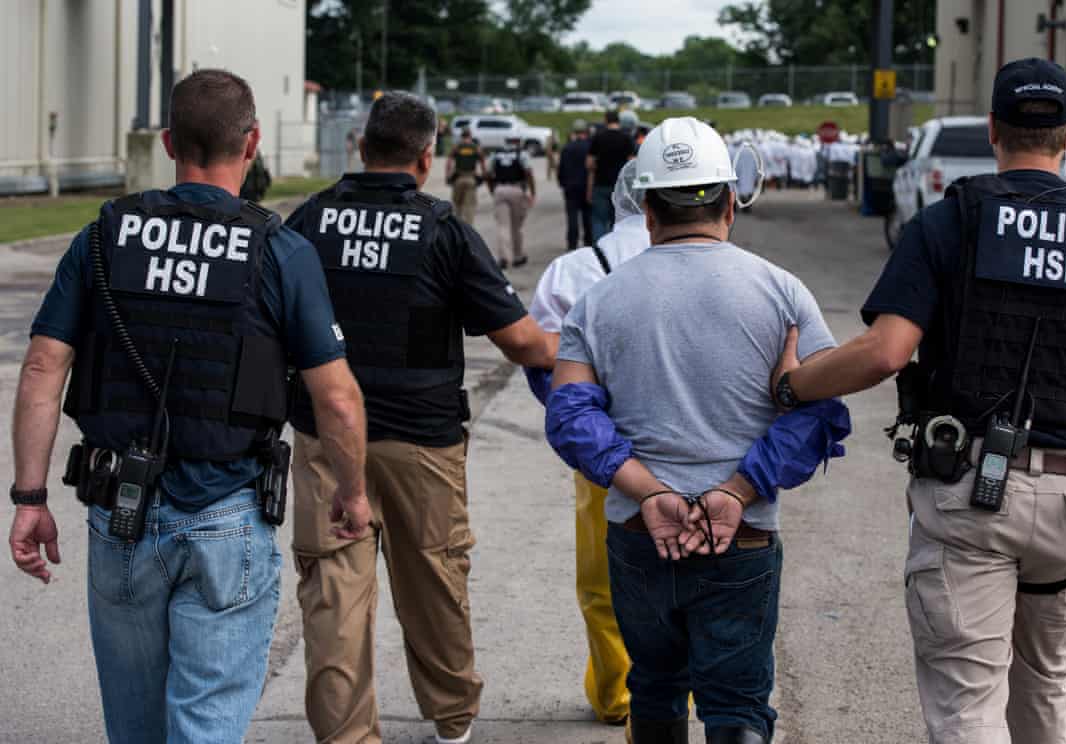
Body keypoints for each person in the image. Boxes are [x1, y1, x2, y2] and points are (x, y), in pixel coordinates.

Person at [775, 59, 1066, 744]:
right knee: (1044, 685)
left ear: (992, 130)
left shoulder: (950, 222)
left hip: (972, 497)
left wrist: (793, 385)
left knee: (969, 706)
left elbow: (886, 351)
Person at [7, 68, 372, 744]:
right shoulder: (281, 251)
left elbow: (41, 368)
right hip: (225, 515)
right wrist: (352, 491)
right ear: (253, 142)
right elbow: (338, 399)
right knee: (204, 728)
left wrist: (30, 497)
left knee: (136, 730)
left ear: (171, 141)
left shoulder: (102, 237)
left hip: (119, 513)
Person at [546, 117, 842, 744]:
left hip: (636, 533)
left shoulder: (598, 302)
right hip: (744, 536)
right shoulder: (784, 293)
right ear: (730, 202)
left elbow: (570, 415)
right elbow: (819, 413)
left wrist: (648, 491)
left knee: (653, 687)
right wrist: (737, 489)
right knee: (737, 705)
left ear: (646, 209)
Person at [285, 93, 558, 744]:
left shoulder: (307, 223)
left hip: (327, 438)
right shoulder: (442, 230)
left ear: (360, 148)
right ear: (427, 158)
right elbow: (521, 342)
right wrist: (579, 350)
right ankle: (453, 718)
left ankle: (347, 736)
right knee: (434, 581)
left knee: (333, 595)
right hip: (422, 439)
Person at [527, 161, 650, 727]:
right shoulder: (719, 269)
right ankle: (679, 690)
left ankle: (616, 694)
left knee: (604, 584)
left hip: (603, 456)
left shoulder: (572, 270)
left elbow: (542, 367)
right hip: (698, 454)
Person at [487, 134, 536, 269]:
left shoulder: (495, 154)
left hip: (500, 189)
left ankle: (503, 258)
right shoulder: (522, 154)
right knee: (516, 226)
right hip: (516, 189)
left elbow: (488, 173)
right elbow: (528, 172)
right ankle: (517, 256)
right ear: (518, 141)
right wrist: (532, 192)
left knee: (503, 226)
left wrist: (492, 189)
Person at [587, 109, 636, 241]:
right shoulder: (626, 138)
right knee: (618, 221)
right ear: (618, 121)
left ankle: (600, 252)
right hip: (620, 187)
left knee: (599, 220)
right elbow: (632, 165)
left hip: (600, 184)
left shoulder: (597, 137)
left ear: (605, 120)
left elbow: (589, 163)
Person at [558, 119, 594, 252]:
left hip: (570, 186)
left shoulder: (567, 148)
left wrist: (562, 183)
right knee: (587, 216)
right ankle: (588, 242)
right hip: (586, 186)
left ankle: (572, 243)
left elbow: (561, 169)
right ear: (586, 131)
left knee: (572, 217)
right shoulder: (590, 146)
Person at [445, 128, 485, 226]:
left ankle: (457, 228)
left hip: (458, 179)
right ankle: (468, 230)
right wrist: (483, 175)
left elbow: (449, 162)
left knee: (457, 206)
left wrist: (448, 176)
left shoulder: (457, 147)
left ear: (462, 136)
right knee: (470, 208)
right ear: (470, 136)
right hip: (471, 179)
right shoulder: (475, 147)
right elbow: (483, 162)